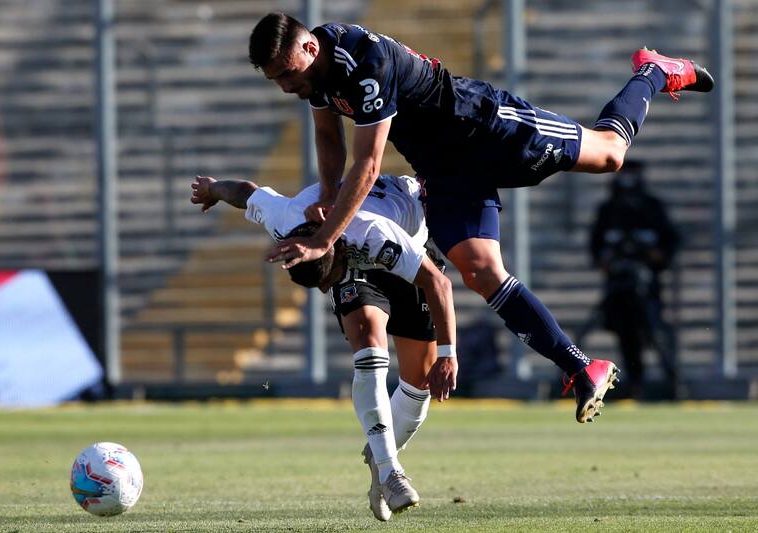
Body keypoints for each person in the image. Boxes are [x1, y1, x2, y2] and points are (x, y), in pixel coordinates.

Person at [247, 13, 714, 422]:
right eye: (277, 81)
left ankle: (654, 71)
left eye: (287, 74)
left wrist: (325, 237)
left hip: (488, 128)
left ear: (310, 48)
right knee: (480, 270)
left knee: (610, 154)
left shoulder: (366, 64)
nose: (287, 86)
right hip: (444, 171)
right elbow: (329, 138)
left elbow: (367, 167)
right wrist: (327, 194)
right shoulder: (317, 71)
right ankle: (581, 367)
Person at [190, 173, 458, 519]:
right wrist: (213, 189)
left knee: (419, 382)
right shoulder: (284, 222)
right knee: (368, 342)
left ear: (339, 250)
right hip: (352, 264)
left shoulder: (375, 235)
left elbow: (438, 283)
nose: (323, 291)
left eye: (327, 282)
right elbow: (245, 192)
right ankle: (391, 470)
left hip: (409, 246)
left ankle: (380, 462)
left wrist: (448, 355)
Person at [588, 161, 680, 398]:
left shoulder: (652, 207)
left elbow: (669, 242)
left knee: (653, 330)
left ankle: (672, 382)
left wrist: (652, 254)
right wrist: (609, 257)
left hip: (647, 284)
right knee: (625, 333)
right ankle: (634, 382)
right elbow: (596, 246)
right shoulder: (608, 209)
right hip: (618, 285)